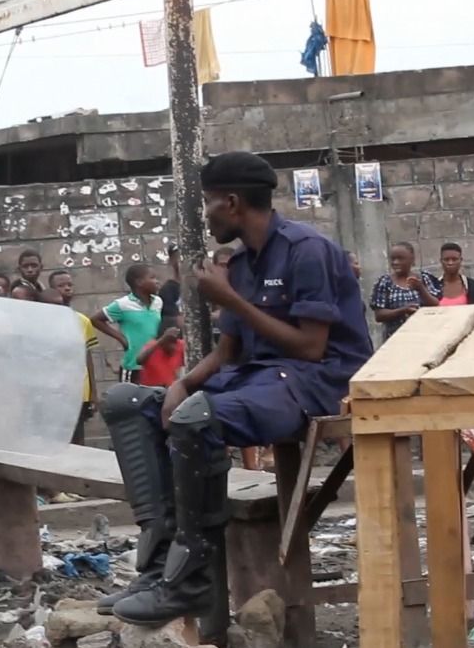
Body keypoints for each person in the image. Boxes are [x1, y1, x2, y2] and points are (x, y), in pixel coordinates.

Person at [98, 151, 371, 625]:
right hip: (262, 377)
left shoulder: (308, 250)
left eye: (207, 203)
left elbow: (310, 347)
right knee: (129, 403)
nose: (205, 215)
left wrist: (230, 301)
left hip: (318, 380)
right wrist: (183, 383)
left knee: (195, 418)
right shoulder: (242, 262)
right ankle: (161, 566)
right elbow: (228, 353)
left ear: (231, 201)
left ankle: (190, 582)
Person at [39, 288, 97, 445]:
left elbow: (87, 357)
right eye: (53, 306)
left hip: (77, 391)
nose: (59, 310)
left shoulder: (81, 321)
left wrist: (93, 393)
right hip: (49, 392)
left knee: (77, 438)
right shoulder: (36, 325)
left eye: (61, 305)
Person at [91, 264, 163, 383]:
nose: (157, 281)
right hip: (133, 366)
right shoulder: (123, 304)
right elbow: (95, 319)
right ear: (139, 282)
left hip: (154, 364)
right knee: (131, 399)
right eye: (152, 278)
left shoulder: (158, 302)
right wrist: (121, 338)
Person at [369, 242, 440, 341]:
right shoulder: (385, 282)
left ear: (412, 259)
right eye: (393, 259)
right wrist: (403, 310)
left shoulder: (424, 278)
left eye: (400, 258)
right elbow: (379, 315)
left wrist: (421, 289)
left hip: (424, 337)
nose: (395, 262)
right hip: (395, 339)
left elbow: (436, 304)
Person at [158, 243, 184, 333]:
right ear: (172, 261)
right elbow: (178, 322)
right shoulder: (167, 291)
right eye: (180, 258)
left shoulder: (203, 286)